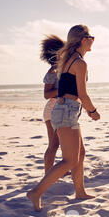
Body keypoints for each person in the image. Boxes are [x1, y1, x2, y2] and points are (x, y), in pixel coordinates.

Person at [27, 25, 100, 212]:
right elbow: (83, 94)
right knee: (69, 160)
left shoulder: (68, 60)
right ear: (83, 40)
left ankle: (80, 191)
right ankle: (36, 192)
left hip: (65, 110)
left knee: (80, 154)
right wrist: (93, 112)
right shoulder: (79, 63)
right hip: (67, 110)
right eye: (91, 36)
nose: (93, 40)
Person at [40, 36, 64, 174]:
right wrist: (64, 90)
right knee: (53, 145)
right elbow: (46, 94)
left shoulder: (66, 68)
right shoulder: (52, 71)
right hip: (52, 109)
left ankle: (62, 169)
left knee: (63, 144)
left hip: (63, 109)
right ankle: (48, 173)